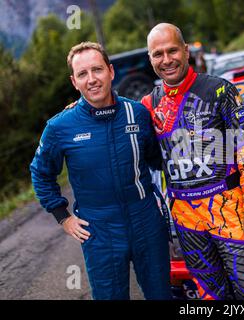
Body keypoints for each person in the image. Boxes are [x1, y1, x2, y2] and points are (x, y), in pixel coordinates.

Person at [30, 41, 172, 300]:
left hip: (146, 221)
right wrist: (63, 216)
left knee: (161, 294)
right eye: (83, 74)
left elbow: (158, 160)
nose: (92, 79)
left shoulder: (137, 113)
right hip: (99, 229)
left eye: (97, 70)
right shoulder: (60, 127)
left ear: (111, 71)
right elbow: (41, 173)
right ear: (74, 82)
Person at [141, 23, 244, 300]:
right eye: (158, 54)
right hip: (186, 221)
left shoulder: (220, 90)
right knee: (210, 296)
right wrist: (83, 106)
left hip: (231, 212)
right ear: (150, 59)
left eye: (172, 50)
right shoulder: (148, 105)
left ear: (186, 51)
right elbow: (121, 124)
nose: (166, 60)